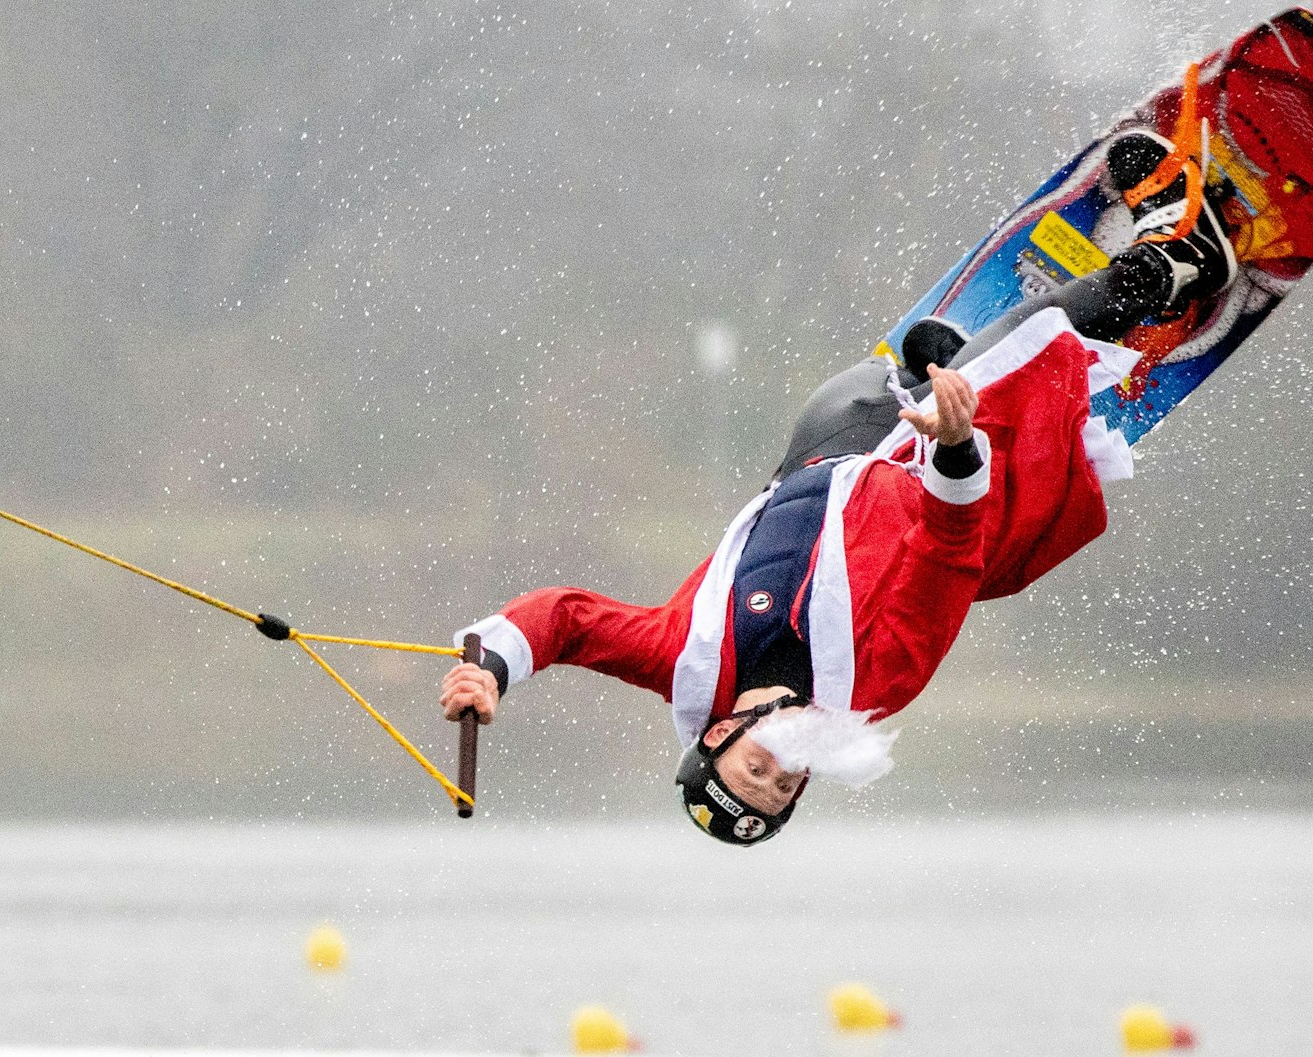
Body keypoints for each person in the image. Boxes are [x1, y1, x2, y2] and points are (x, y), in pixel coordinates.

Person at [438, 130, 1238, 845]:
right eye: (786, 787)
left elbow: (565, 620)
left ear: (717, 736)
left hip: (836, 455)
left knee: (848, 390)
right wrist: (955, 445)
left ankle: (939, 365)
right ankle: (1178, 265)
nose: (781, 769)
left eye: (756, 770)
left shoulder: (681, 657)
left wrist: (493, 668)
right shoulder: (876, 683)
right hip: (951, 489)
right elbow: (949, 549)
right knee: (1021, 348)